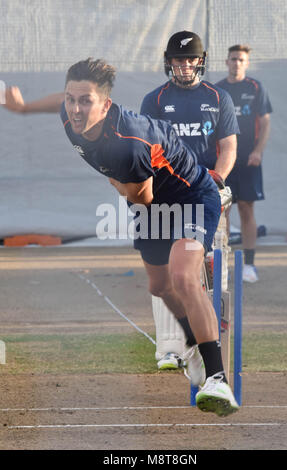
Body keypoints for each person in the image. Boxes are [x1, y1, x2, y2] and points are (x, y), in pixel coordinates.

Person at [3, 57, 239, 416]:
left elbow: (138, 196)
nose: (76, 108)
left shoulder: (127, 144)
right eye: (72, 98)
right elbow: (57, 102)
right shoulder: (70, 114)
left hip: (190, 196)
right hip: (150, 203)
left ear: (106, 104)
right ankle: (192, 344)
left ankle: (218, 378)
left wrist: (114, 180)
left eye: (86, 101)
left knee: (183, 276)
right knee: (159, 287)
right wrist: (22, 109)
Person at [140, 31, 239, 372]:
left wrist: (219, 177)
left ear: (201, 60)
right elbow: (143, 151)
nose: (184, 66)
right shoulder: (154, 100)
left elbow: (228, 147)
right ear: (169, 62)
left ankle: (215, 325)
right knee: (165, 277)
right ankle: (170, 348)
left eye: (190, 60)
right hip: (167, 194)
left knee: (206, 267)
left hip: (204, 193)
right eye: (178, 61)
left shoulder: (217, 97)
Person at [216, 45, 272, 283]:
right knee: (223, 212)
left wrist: (258, 151)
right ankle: (223, 266)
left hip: (249, 160)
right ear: (226, 62)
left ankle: (249, 265)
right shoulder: (217, 90)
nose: (237, 63)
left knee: (246, 209)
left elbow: (266, 123)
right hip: (225, 162)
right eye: (233, 59)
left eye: (241, 59)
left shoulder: (256, 87)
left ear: (246, 63)